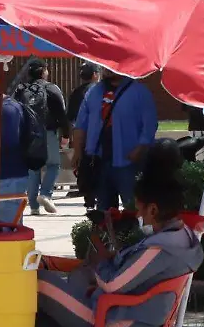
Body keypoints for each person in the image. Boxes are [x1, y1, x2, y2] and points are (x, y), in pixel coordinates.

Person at [33, 140, 203, 327]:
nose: (138, 215)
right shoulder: (183, 235)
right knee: (62, 279)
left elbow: (113, 284)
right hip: (129, 316)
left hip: (118, 323)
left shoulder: (161, 248)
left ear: (153, 210)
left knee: (36, 282)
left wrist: (99, 261)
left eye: (140, 210)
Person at [72, 68, 158, 212]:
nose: (107, 70)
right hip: (98, 161)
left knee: (134, 208)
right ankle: (107, 233)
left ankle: (134, 233)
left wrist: (140, 148)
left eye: (112, 67)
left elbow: (150, 124)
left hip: (128, 162)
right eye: (105, 67)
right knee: (104, 211)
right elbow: (81, 125)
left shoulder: (140, 92)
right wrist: (77, 152)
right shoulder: (93, 93)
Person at [14, 61, 69, 216]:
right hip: (48, 132)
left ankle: (33, 206)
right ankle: (45, 194)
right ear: (44, 71)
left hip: (28, 133)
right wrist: (65, 134)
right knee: (53, 164)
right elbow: (61, 113)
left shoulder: (21, 89)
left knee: (33, 168)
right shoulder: (51, 88)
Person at [0, 88, 32, 223]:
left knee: (8, 228)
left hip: (8, 176)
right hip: (8, 175)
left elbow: (8, 141)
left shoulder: (7, 110)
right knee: (9, 225)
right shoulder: (8, 108)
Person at [67, 64, 98, 207]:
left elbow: (71, 119)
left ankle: (89, 197)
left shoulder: (76, 93)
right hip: (99, 137)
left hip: (82, 137)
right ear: (95, 75)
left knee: (84, 167)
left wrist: (71, 138)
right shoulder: (99, 92)